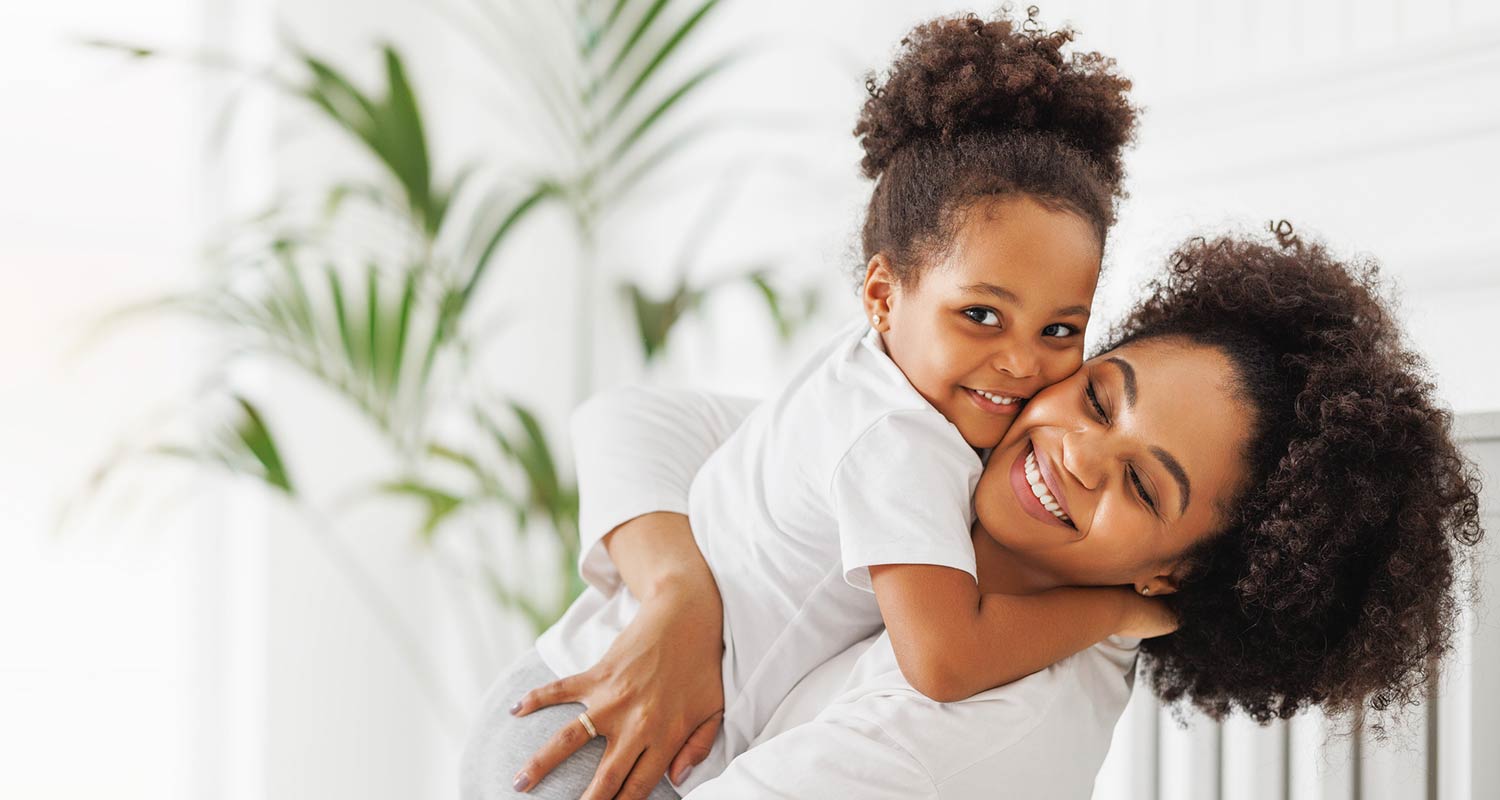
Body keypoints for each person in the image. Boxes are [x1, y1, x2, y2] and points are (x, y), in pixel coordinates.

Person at [462, 226, 1483, 799]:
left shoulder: (986, 730)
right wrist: (679, 595)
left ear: (1173, 573)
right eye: (1097, 392)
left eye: (1140, 484)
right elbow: (640, 420)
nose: (1074, 452)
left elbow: (940, 660)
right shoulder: (948, 464)